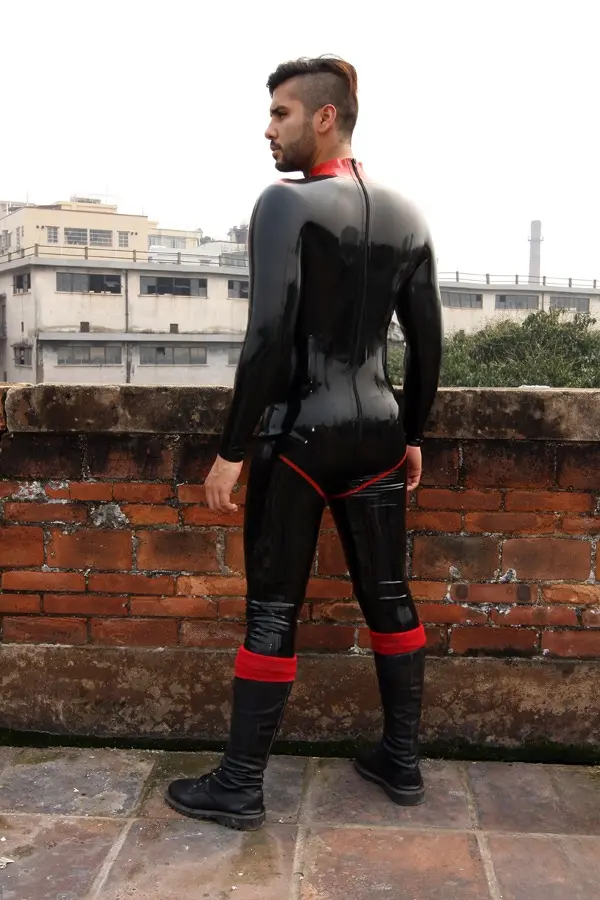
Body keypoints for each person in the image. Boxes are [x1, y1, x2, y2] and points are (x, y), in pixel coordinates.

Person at [166, 56, 443, 831]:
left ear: (325, 117)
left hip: (297, 435)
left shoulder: (285, 204)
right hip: (378, 431)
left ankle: (240, 785)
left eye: (280, 113)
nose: (268, 129)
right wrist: (412, 434)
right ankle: (402, 762)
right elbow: (428, 345)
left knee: (271, 609)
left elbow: (267, 332)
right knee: (389, 596)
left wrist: (232, 449)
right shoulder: (409, 215)